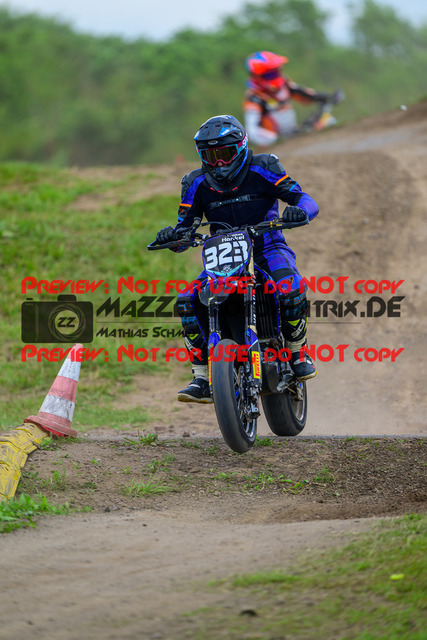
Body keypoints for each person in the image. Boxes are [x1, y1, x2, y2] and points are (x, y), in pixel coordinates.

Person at [155, 114, 318, 403]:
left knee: (290, 286)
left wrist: (299, 211)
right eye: (210, 156)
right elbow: (185, 229)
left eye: (225, 154)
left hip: (267, 248)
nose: (219, 163)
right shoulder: (194, 182)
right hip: (223, 258)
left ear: (241, 147)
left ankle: (297, 351)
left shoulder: (264, 166)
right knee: (186, 300)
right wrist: (174, 237)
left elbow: (302, 198)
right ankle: (201, 376)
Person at [244, 50, 339, 147]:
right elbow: (252, 131)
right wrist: (274, 140)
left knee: (328, 121)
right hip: (275, 144)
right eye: (271, 74)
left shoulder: (284, 84)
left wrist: (327, 97)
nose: (276, 76)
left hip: (293, 133)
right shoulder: (254, 97)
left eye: (277, 71)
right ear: (257, 76)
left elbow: (304, 94)